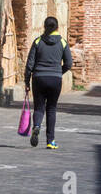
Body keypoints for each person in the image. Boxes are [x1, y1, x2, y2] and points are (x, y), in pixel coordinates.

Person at [24, 16, 73, 150]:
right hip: (55, 79)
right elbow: (69, 63)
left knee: (39, 107)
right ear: (57, 27)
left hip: (38, 78)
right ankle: (50, 141)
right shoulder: (63, 42)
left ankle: (37, 126)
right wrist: (58, 72)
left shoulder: (38, 41)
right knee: (51, 108)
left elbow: (30, 64)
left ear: (44, 27)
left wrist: (27, 81)